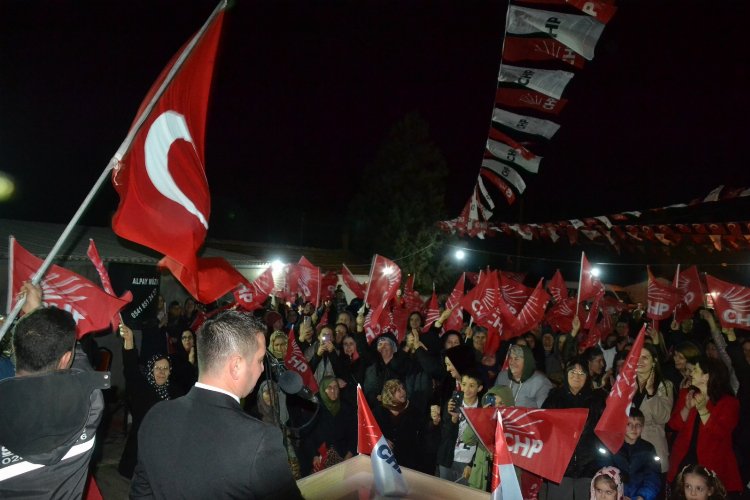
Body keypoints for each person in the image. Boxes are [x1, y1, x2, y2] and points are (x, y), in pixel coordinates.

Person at [130, 310, 302, 499]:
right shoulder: (260, 440)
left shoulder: (156, 416)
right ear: (236, 365)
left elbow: (141, 495)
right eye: (260, 360)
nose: (262, 368)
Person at [0, 283, 107, 498]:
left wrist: (35, 313)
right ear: (66, 358)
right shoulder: (91, 402)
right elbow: (80, 368)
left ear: (15, 352)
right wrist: (36, 309)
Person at [119, 325, 187, 478]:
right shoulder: (141, 388)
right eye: (158, 368)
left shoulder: (176, 391)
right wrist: (129, 340)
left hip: (167, 452)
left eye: (165, 368)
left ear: (170, 371)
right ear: (151, 370)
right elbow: (130, 368)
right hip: (141, 451)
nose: (162, 372)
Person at [667, 356, 742, 494]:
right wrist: (687, 408)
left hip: (712, 462)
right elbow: (673, 425)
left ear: (707, 376)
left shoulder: (728, 402)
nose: (691, 373)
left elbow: (720, 433)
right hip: (683, 458)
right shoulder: (687, 393)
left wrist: (702, 410)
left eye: (695, 370)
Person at [542, 357, 606, 499]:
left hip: (589, 467)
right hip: (560, 468)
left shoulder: (597, 399)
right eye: (572, 372)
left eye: (581, 373)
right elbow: (543, 427)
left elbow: (605, 428)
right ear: (566, 374)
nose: (576, 377)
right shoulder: (554, 398)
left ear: (587, 376)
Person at [598, 408, 661, 500]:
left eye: (638, 425)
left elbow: (653, 478)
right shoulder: (611, 447)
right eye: (629, 424)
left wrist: (642, 496)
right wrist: (618, 496)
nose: (634, 428)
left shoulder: (648, 449)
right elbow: (605, 474)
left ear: (643, 427)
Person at [633, 343, 673, 473]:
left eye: (645, 357)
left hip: (652, 448)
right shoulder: (626, 384)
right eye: (637, 357)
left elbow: (664, 418)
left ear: (654, 361)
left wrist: (651, 394)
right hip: (629, 448)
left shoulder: (664, 385)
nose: (640, 361)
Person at [494, 344, 553, 408]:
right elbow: (491, 399)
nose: (512, 362)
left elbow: (544, 412)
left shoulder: (541, 382)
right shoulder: (502, 376)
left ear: (526, 362)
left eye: (516, 359)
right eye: (510, 358)